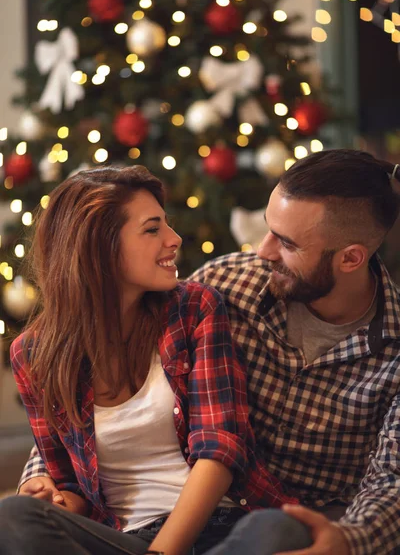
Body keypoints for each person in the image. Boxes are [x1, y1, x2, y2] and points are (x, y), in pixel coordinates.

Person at [9, 149, 400, 554]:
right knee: (15, 517)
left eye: (286, 243)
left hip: (268, 518)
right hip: (130, 533)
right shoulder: (225, 283)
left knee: (276, 530)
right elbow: (72, 432)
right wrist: (42, 483)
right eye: (268, 229)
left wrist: (351, 541)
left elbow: (393, 481)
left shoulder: (394, 351)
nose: (262, 251)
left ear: (350, 258)